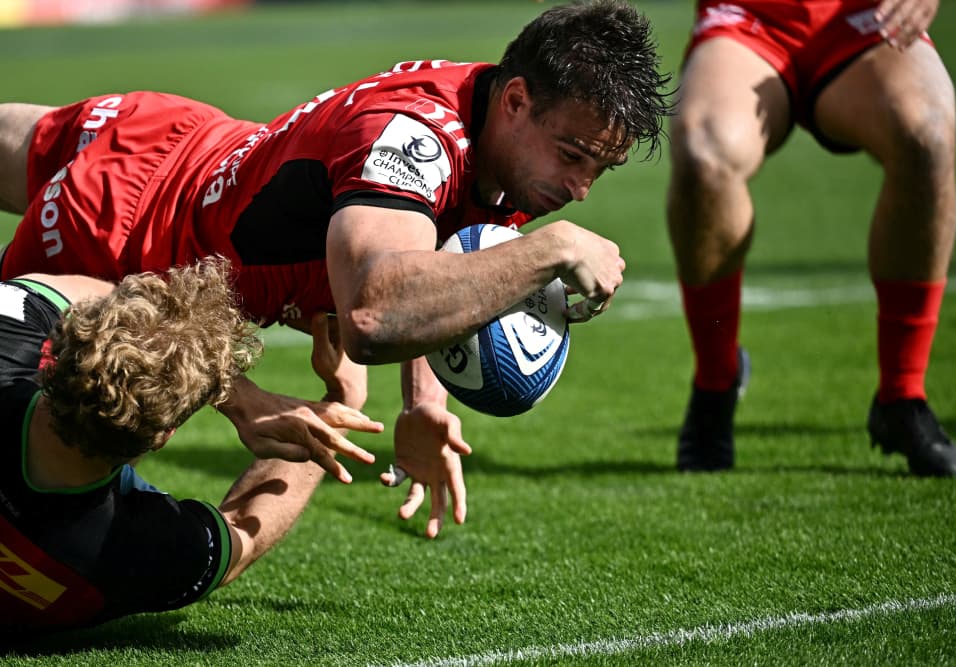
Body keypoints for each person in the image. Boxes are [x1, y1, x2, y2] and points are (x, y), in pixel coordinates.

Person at [0, 0, 674, 535]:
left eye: (600, 168)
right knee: (43, 472)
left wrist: (423, 402)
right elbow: (375, 314)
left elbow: (432, 242)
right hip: (121, 246)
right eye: (574, 154)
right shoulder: (413, 137)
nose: (581, 186)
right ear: (518, 101)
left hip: (177, 136)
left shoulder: (495, 113)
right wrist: (551, 250)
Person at [665, 0, 956, 476]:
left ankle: (902, 395)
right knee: (705, 152)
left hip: (869, 17)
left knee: (927, 137)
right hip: (750, 17)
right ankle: (715, 383)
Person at [0, 259, 384, 630]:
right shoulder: (142, 548)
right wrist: (341, 399)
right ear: (164, 437)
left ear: (70, 341)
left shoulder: (9, 335)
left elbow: (94, 297)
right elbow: (242, 535)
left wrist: (239, 395)